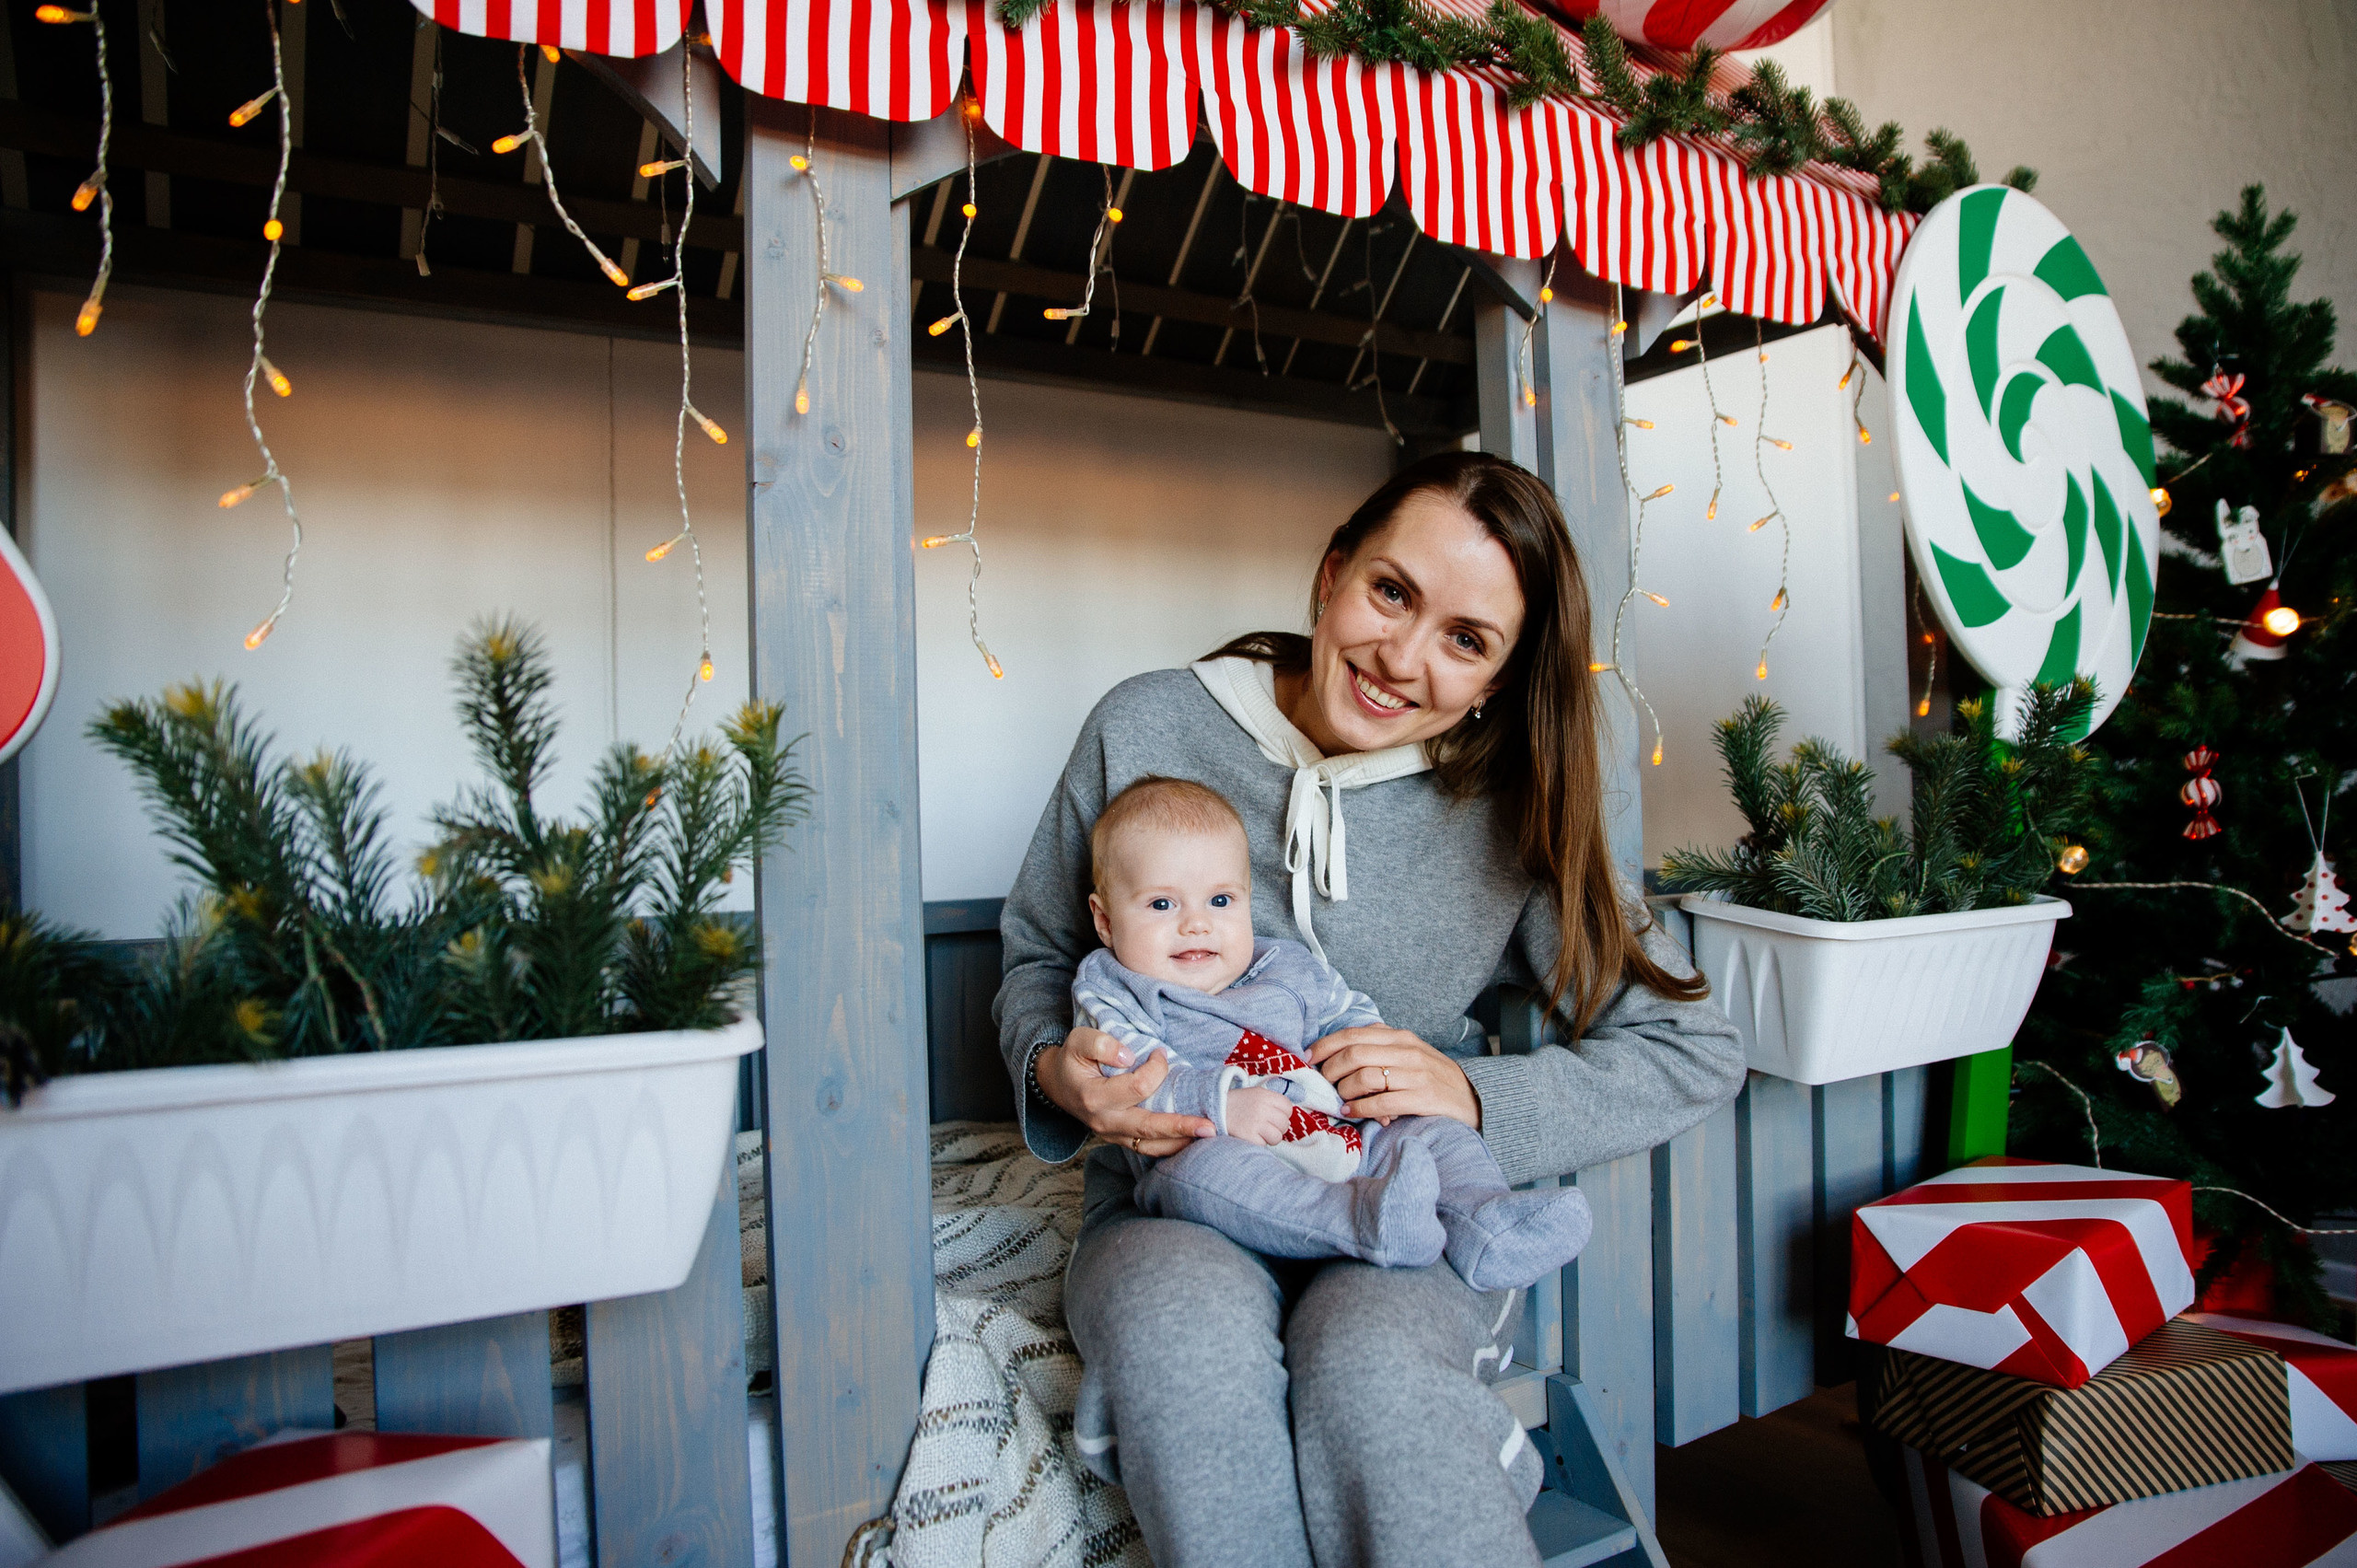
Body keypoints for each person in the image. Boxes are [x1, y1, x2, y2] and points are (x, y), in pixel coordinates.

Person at [996, 449, 1745, 1568]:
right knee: (1179, 1348)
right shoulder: (1146, 725)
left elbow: (1692, 1043)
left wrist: (1475, 1092)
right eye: (1391, 591)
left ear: (1498, 677)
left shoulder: (1513, 811)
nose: (1402, 657)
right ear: (1333, 573)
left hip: (1396, 1202)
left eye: (1466, 639)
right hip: (1173, 1200)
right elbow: (1038, 957)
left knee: (1376, 1382)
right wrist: (1058, 1071)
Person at [1074, 773, 1593, 1290]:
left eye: (1221, 901)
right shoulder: (1116, 989)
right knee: (1199, 1178)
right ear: (1105, 921)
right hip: (1220, 1147)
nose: (1197, 924)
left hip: (1341, 1126)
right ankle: (1357, 1221)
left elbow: (1347, 1012)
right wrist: (1221, 1104)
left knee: (1433, 1134)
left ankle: (1485, 1221)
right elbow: (1129, 1075)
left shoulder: (1285, 965)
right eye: (1162, 904)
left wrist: (1379, 1073)